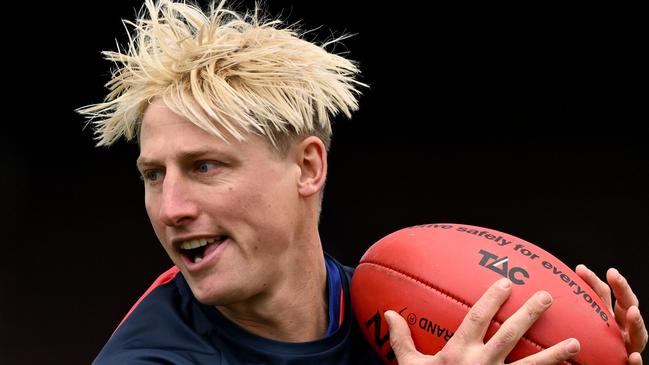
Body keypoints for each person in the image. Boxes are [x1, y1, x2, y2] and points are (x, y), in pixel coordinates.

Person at [78, 0, 647, 364]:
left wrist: (595, 356)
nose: (170, 207)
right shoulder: (150, 358)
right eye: (154, 175)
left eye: (204, 166)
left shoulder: (417, 319)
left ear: (307, 167)